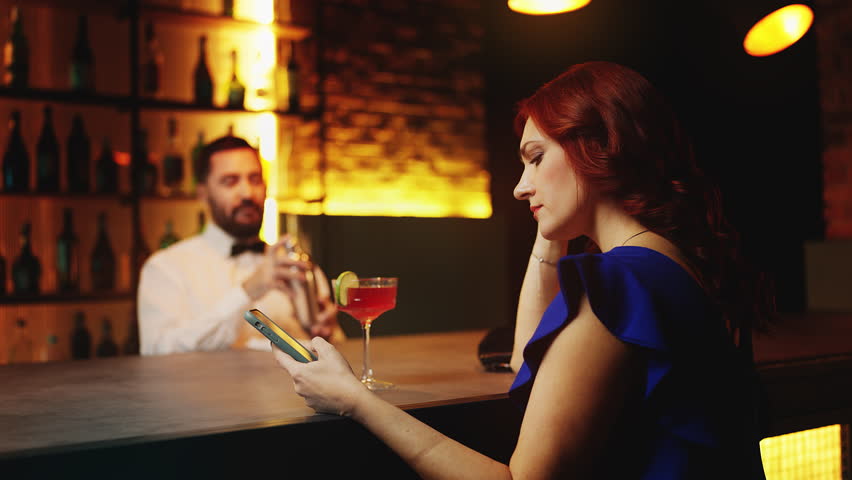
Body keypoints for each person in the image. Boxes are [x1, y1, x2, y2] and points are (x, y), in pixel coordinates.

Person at [271, 62, 772, 479]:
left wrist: (354, 401)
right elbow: (527, 363)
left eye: (535, 159)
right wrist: (554, 222)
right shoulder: (674, 262)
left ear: (598, 148)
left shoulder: (618, 283)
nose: (519, 187)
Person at [138, 135, 344, 356]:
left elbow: (336, 350)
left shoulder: (297, 264)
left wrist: (327, 334)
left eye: (255, 179)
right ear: (203, 194)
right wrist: (248, 290)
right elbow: (157, 351)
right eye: (230, 181)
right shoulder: (166, 268)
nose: (247, 193)